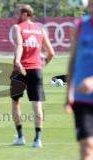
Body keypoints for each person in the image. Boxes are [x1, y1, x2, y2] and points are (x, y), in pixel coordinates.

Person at [10, 4, 55, 148]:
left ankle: (21, 137)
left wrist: (17, 61)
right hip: (36, 70)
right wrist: (42, 65)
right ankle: (37, 139)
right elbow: (51, 53)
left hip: (20, 69)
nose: (14, 16)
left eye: (17, 14)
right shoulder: (40, 29)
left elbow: (19, 45)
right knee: (37, 104)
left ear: (24, 14)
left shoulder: (18, 28)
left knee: (16, 103)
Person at [65, 0, 93, 159]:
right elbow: (72, 60)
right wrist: (69, 93)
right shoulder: (79, 26)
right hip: (82, 99)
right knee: (86, 147)